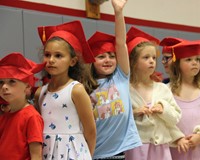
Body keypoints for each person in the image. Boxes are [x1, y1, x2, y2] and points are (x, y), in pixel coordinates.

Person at [87, 0, 142, 159]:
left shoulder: (120, 77)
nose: (107, 60)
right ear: (91, 60)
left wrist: (118, 13)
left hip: (118, 152)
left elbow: (120, 43)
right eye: (101, 56)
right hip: (94, 153)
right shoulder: (85, 87)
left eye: (111, 56)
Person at [35, 20, 96, 160]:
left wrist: (87, 155)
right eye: (47, 55)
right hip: (47, 152)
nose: (51, 60)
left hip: (74, 153)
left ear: (72, 61)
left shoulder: (76, 90)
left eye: (58, 56)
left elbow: (91, 131)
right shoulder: (40, 93)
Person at [125, 26, 188, 160]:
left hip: (161, 148)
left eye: (154, 57)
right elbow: (120, 119)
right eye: (146, 57)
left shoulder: (162, 88)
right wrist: (135, 112)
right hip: (137, 148)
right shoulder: (126, 90)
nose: (152, 61)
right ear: (133, 62)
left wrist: (163, 108)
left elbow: (176, 117)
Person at [0, 52, 45, 160]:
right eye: (1, 82)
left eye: (12, 82)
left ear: (28, 87)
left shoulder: (31, 117)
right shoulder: (4, 115)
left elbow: (36, 155)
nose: (4, 87)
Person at [169, 41, 200, 160]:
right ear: (177, 64)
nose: (194, 63)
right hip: (176, 150)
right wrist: (178, 138)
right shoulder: (167, 91)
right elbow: (164, 123)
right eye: (188, 60)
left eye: (197, 59)